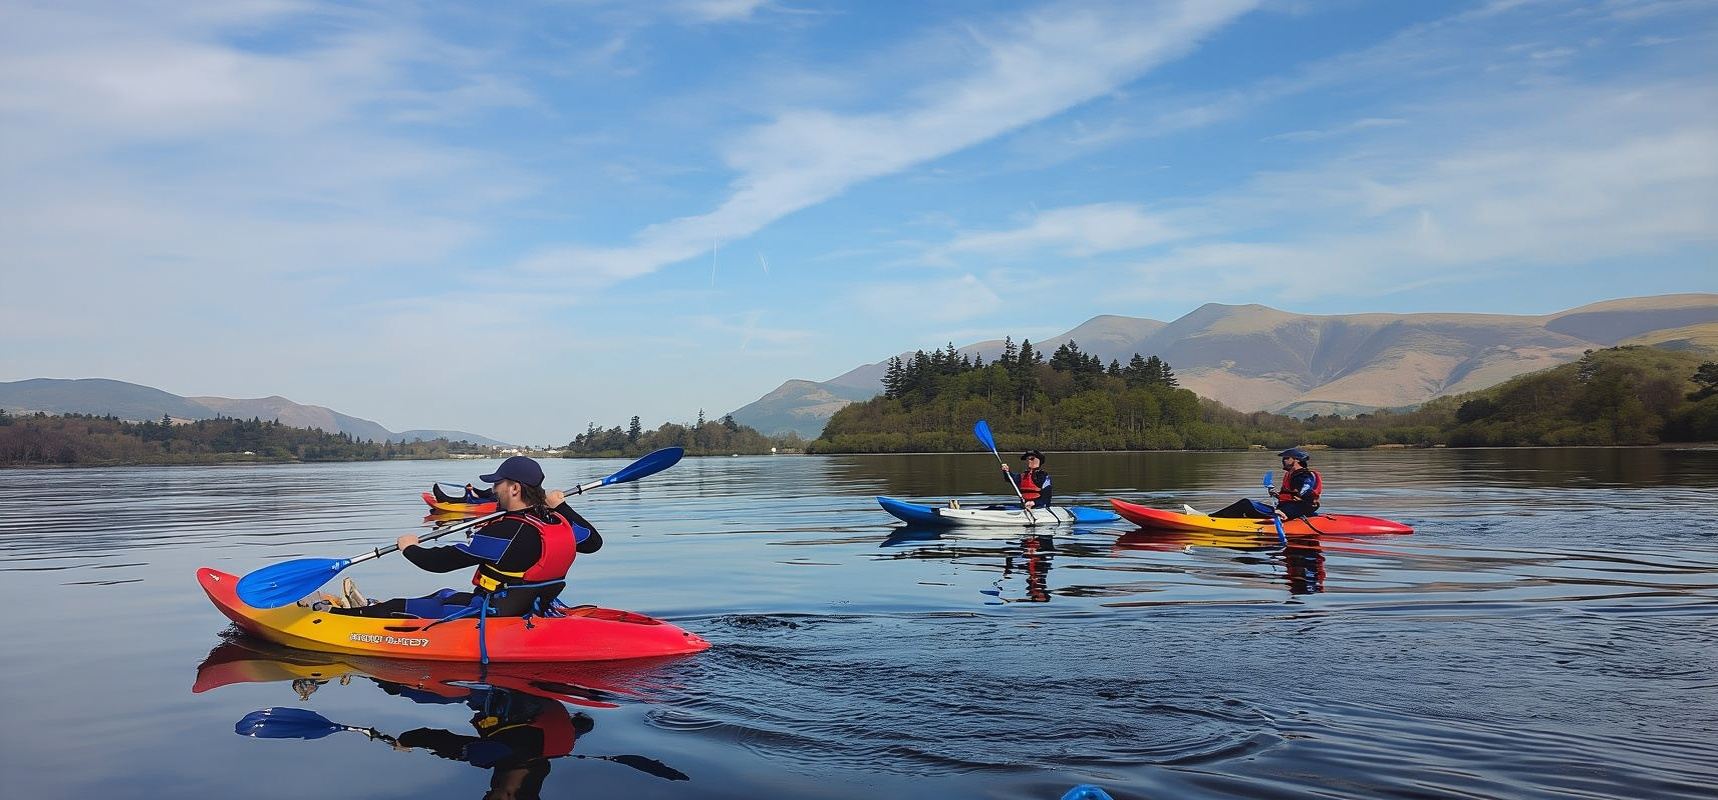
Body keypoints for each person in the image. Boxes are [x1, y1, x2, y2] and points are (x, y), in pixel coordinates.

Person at [331, 456, 603, 618]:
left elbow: (438, 563)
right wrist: (561, 506)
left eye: (498, 483)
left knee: (396, 607)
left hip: (494, 613)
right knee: (442, 595)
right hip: (534, 608)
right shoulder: (556, 522)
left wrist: (409, 548)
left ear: (515, 488)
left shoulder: (507, 530)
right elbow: (593, 542)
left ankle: (343, 618)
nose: (494, 489)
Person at [1272, 447, 1322, 520]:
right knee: (1249, 504)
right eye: (1283, 458)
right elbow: (1291, 495)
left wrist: (1301, 498)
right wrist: (1278, 495)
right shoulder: (1292, 475)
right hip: (1288, 506)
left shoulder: (1304, 476)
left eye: (1287, 458)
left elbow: (1305, 493)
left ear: (1297, 460)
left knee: (1277, 512)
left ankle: (1281, 515)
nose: (1283, 460)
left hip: (1301, 507)